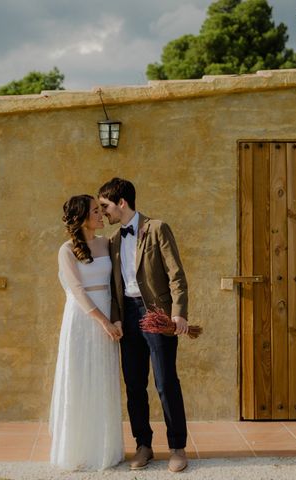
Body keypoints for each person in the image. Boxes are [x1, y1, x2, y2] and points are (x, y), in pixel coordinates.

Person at [98, 178, 189, 473]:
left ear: (121, 202)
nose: (104, 213)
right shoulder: (113, 241)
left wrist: (179, 314)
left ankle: (177, 448)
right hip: (129, 317)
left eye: (105, 206)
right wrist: (116, 319)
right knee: (135, 385)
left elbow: (176, 274)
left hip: (157, 315)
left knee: (165, 382)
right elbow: (114, 288)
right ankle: (143, 446)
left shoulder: (157, 228)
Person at [49, 194, 124, 471]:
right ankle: (77, 450)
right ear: (81, 217)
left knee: (102, 379)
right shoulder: (66, 250)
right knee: (79, 379)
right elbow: (77, 291)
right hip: (82, 320)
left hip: (107, 316)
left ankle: (104, 449)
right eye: (95, 210)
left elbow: (117, 284)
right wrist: (103, 322)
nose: (101, 214)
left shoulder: (107, 243)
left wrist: (115, 320)